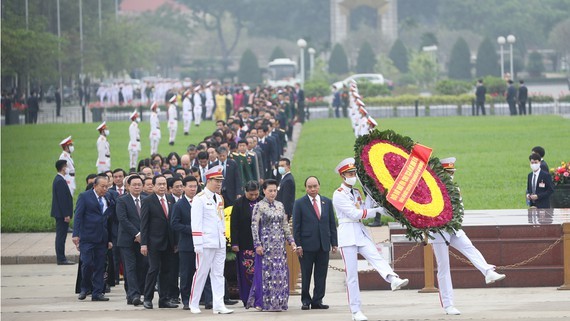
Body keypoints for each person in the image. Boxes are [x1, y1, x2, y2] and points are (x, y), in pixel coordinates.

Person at [332, 157, 408, 321]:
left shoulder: (357, 192)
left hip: (360, 231)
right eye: (350, 173)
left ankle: (393, 279)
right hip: (347, 234)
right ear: (342, 176)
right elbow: (354, 214)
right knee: (352, 276)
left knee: (376, 257)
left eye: (354, 172)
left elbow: (364, 209)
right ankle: (355, 311)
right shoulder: (338, 195)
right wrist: (377, 210)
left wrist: (371, 197)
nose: (353, 175)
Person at [430, 157, 506, 315]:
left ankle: (488, 272)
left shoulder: (455, 189)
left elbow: (460, 208)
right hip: (438, 232)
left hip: (454, 228)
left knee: (470, 247)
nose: (451, 176)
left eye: (452, 172)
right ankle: (448, 304)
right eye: (448, 172)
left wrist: (455, 223)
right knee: (444, 267)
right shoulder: (432, 189)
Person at [246, 179, 297, 311]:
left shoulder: (280, 205)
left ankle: (279, 302)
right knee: (267, 274)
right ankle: (264, 303)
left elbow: (284, 225)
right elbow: (254, 226)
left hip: (279, 245)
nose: (273, 193)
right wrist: (257, 244)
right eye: (270, 191)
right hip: (266, 244)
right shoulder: (259, 206)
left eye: (275, 191)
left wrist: (291, 241)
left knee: (280, 274)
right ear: (264, 191)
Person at [189, 165, 234, 314]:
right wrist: (197, 244)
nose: (219, 184)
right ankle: (194, 303)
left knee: (218, 274)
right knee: (201, 272)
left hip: (219, 242)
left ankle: (218, 304)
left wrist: (224, 238)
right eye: (216, 180)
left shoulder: (219, 198)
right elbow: (196, 223)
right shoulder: (199, 199)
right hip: (205, 242)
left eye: (221, 181)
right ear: (208, 180)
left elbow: (220, 220)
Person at [293, 176, 337, 310]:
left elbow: (332, 223)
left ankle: (317, 300)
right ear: (305, 188)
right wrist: (298, 244)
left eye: (315, 186)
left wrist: (334, 243)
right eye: (309, 187)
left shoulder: (327, 202)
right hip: (306, 246)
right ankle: (306, 300)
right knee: (306, 274)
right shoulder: (299, 203)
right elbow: (296, 226)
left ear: (319, 186)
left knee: (321, 274)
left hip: (323, 244)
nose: (312, 189)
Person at [140, 175, 179, 309]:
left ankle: (164, 299)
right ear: (154, 185)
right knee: (154, 269)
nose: (162, 186)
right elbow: (144, 224)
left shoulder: (170, 199)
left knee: (167, 271)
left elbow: (172, 222)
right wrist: (143, 243)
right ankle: (148, 298)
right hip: (153, 243)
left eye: (164, 184)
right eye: (159, 184)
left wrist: (175, 242)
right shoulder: (148, 200)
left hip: (169, 242)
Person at [72, 176, 114, 301]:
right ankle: (84, 288)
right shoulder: (84, 197)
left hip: (102, 238)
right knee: (87, 263)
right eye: (103, 186)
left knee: (100, 266)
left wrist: (110, 239)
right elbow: (78, 216)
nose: (105, 189)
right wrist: (75, 234)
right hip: (87, 237)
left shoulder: (108, 198)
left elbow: (110, 220)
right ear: (95, 186)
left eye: (107, 186)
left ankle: (97, 293)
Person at [116, 175, 148, 306]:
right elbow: (123, 219)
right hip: (127, 241)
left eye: (139, 184)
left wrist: (143, 235)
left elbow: (148, 219)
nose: (137, 187)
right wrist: (137, 233)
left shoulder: (146, 199)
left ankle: (135, 293)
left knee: (142, 267)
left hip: (143, 241)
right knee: (130, 268)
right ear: (128, 186)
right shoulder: (122, 200)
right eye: (134, 184)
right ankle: (134, 295)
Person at [230, 181, 262, 306]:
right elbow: (234, 225)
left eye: (256, 194)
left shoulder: (262, 202)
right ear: (245, 192)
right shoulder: (238, 204)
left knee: (259, 272)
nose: (254, 197)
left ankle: (259, 297)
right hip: (245, 243)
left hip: (260, 244)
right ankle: (247, 298)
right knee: (247, 273)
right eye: (251, 195)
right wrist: (234, 243)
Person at [170, 175, 199, 310]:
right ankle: (186, 299)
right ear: (184, 188)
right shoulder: (179, 205)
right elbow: (174, 224)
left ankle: (203, 298)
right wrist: (192, 230)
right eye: (190, 186)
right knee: (186, 274)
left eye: (195, 186)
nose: (193, 189)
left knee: (200, 272)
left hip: (201, 244)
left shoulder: (201, 202)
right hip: (186, 244)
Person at [51, 160, 75, 265]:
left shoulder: (60, 179)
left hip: (61, 214)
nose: (67, 168)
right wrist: (66, 214)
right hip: (61, 215)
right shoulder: (60, 180)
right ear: (62, 168)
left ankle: (61, 257)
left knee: (61, 236)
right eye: (66, 166)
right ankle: (61, 258)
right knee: (61, 237)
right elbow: (62, 200)